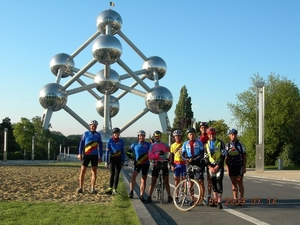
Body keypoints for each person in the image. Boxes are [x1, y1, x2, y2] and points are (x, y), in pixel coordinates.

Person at [145, 130, 173, 203]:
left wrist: (169, 158)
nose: (157, 138)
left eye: (158, 136)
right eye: (156, 136)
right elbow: (150, 156)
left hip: (164, 163)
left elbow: (171, 150)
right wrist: (157, 154)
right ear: (154, 137)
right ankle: (149, 196)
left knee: (166, 181)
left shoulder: (164, 144)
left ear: (160, 137)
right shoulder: (152, 146)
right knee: (153, 182)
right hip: (156, 164)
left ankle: (169, 196)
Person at [77, 120, 103, 194]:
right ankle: (81, 187)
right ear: (90, 126)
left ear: (96, 126)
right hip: (86, 154)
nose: (93, 126)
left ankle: (92, 188)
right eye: (92, 125)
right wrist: (79, 153)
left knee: (94, 172)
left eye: (95, 125)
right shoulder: (85, 134)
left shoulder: (98, 135)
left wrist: (101, 156)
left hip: (94, 155)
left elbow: (101, 146)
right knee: (83, 170)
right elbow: (81, 144)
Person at [181, 127, 206, 204]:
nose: (192, 136)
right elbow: (182, 155)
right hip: (189, 162)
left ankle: (201, 198)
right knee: (190, 181)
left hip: (197, 161)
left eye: (193, 134)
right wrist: (186, 159)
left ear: (195, 135)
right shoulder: (185, 143)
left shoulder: (199, 143)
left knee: (200, 181)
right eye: (190, 134)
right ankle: (192, 198)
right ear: (188, 135)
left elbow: (202, 154)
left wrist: (195, 159)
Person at [204, 127, 226, 209]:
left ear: (215, 134)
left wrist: (218, 165)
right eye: (210, 134)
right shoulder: (206, 145)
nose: (211, 135)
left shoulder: (220, 143)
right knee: (213, 182)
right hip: (211, 167)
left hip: (218, 165)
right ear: (208, 135)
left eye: (213, 134)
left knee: (219, 181)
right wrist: (209, 167)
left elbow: (223, 155)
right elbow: (205, 157)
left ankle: (219, 201)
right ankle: (215, 199)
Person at [127, 130, 151, 202]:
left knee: (143, 180)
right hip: (138, 163)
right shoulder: (134, 144)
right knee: (133, 176)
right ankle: (131, 192)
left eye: (142, 136)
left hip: (146, 164)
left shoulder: (148, 144)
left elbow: (153, 151)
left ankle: (141, 195)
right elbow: (128, 152)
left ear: (144, 136)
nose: (141, 137)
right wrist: (132, 159)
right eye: (140, 136)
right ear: (138, 137)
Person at [225, 128, 247, 204]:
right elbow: (226, 158)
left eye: (234, 135)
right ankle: (235, 198)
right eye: (232, 135)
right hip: (231, 166)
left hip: (239, 166)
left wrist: (244, 167)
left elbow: (244, 156)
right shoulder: (227, 145)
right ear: (229, 136)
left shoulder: (240, 144)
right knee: (233, 183)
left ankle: (242, 198)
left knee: (239, 182)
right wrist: (227, 168)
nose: (233, 136)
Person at [105, 127, 125, 195]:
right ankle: (110, 189)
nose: (116, 134)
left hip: (118, 159)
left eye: (117, 133)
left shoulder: (121, 141)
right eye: (115, 133)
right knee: (112, 174)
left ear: (119, 134)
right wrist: (106, 161)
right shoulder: (109, 140)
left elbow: (122, 151)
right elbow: (107, 151)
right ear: (113, 134)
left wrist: (123, 161)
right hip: (112, 158)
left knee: (117, 174)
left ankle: (115, 189)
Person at [170, 129, 186, 201]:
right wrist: (172, 165)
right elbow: (171, 156)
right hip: (176, 164)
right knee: (176, 181)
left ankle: (183, 196)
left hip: (183, 165)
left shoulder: (184, 144)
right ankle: (176, 195)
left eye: (179, 136)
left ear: (181, 136)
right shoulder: (172, 146)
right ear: (174, 137)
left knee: (184, 181)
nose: (177, 137)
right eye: (176, 136)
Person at [198, 121, 212, 204]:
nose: (203, 129)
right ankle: (202, 197)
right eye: (202, 127)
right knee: (201, 180)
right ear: (200, 129)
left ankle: (209, 196)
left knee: (210, 179)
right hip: (201, 160)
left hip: (210, 160)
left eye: (205, 127)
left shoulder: (210, 137)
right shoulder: (198, 138)